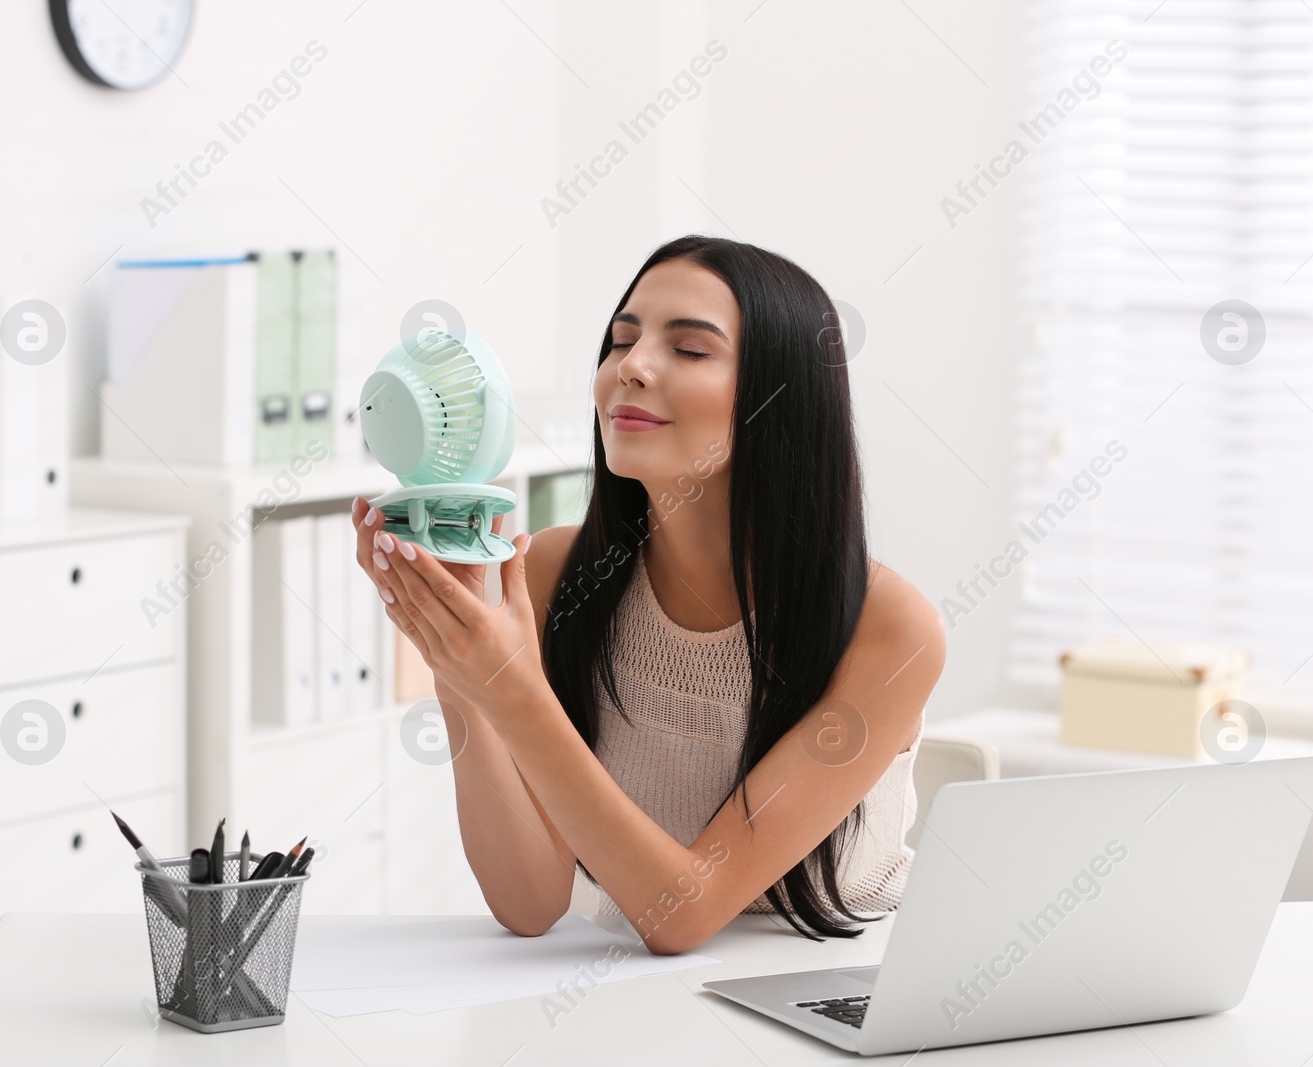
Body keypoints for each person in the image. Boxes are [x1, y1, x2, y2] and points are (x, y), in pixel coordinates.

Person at [351, 234, 944, 954]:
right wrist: (457, 663)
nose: (630, 367)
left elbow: (685, 912)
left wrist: (511, 687)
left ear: (780, 398)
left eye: (689, 349)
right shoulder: (552, 572)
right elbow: (530, 901)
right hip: (633, 987)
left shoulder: (887, 625)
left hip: (848, 978)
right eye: (621, 340)